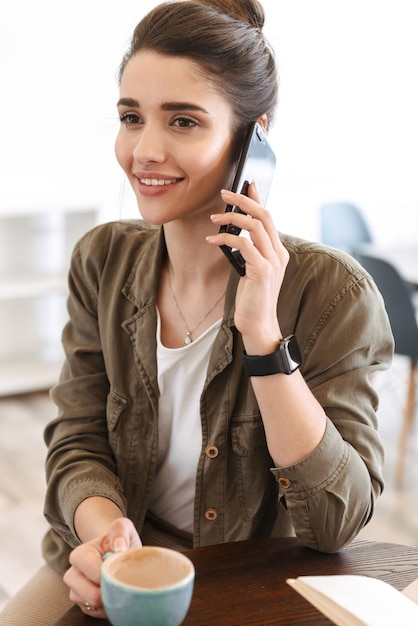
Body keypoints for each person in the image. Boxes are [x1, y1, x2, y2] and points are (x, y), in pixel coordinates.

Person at [0, 0, 393, 623]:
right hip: (115, 559)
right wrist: (106, 539)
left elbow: (334, 524)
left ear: (253, 137)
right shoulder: (101, 258)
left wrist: (263, 338)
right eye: (132, 117)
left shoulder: (334, 293)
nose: (144, 150)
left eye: (183, 121)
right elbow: (77, 439)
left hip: (253, 575)